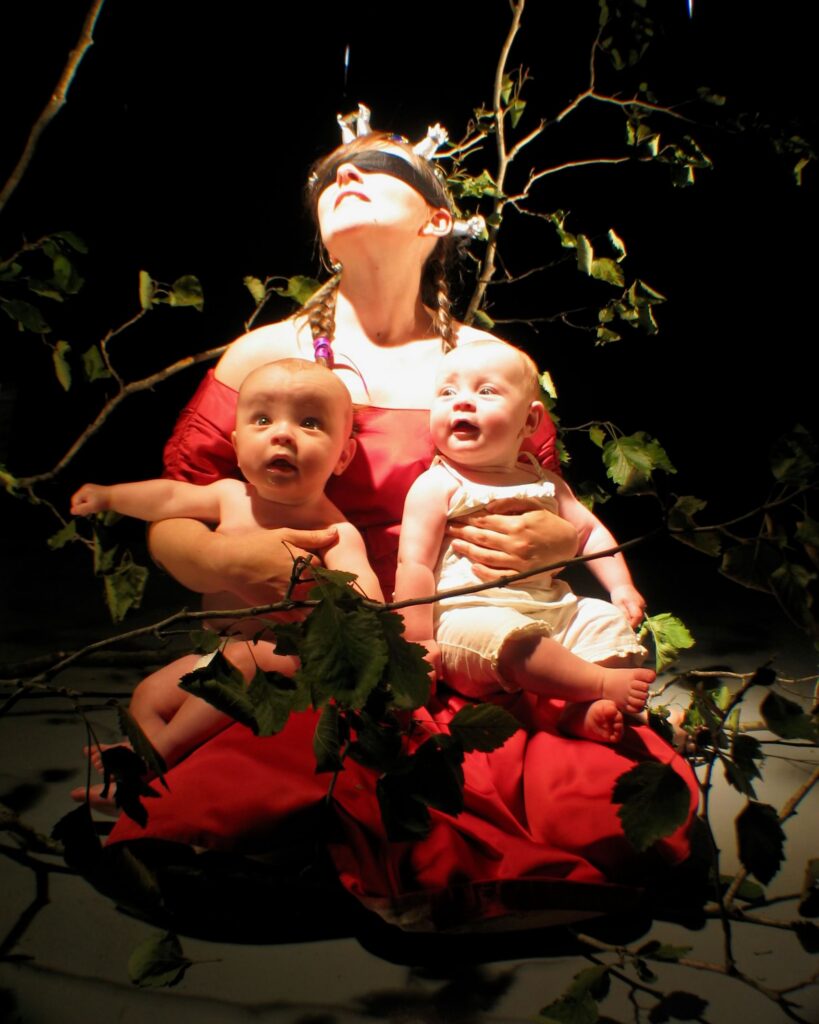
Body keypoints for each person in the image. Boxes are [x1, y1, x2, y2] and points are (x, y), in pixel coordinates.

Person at [101, 110, 698, 930]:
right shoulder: (265, 359)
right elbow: (178, 504)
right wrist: (222, 564)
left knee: (590, 799)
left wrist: (558, 541)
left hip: (456, 640)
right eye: (326, 177)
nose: (342, 175)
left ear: (437, 219)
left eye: (376, 166)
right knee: (239, 804)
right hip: (316, 640)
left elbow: (544, 494)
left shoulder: (486, 369)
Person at [70, 360, 382, 797]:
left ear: (343, 456)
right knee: (148, 695)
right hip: (217, 652)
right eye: (262, 420)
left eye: (310, 423)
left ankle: (152, 762)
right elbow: (170, 495)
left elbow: (367, 599)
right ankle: (152, 784)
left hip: (287, 664)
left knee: (246, 659)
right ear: (236, 446)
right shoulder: (230, 496)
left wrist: (343, 605)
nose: (282, 433)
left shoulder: (333, 532)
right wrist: (110, 496)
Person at [395, 339, 653, 745]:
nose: (462, 401)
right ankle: (599, 683)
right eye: (447, 392)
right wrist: (417, 642)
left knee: (604, 619)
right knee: (517, 644)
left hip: (551, 608)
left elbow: (588, 532)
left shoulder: (544, 482)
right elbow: (414, 565)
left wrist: (620, 586)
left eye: (486, 391)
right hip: (468, 620)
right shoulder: (438, 485)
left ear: (530, 421)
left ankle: (579, 711)